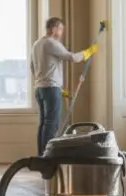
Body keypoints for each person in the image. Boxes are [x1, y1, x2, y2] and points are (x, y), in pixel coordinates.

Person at [30, 18, 98, 155]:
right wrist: (88, 52)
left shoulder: (37, 44)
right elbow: (73, 58)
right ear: (54, 29)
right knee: (51, 125)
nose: (61, 33)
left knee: (43, 124)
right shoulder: (52, 43)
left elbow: (32, 67)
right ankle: (48, 158)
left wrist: (54, 86)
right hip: (50, 89)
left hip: (39, 89)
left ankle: (41, 157)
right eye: (60, 29)